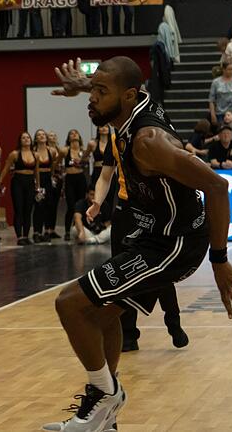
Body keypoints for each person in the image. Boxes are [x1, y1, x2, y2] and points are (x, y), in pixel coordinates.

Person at [45, 56, 232, 431]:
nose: (92, 100)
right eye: (96, 89)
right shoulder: (129, 106)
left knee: (70, 305)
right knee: (102, 314)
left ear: (127, 97)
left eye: (100, 93)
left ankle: (106, 395)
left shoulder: (148, 142)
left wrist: (220, 261)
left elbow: (217, 187)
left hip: (174, 243)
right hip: (152, 232)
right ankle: (103, 418)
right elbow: (118, 86)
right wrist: (87, 86)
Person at [90, 131, 189, 354]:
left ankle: (173, 323)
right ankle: (129, 335)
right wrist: (97, 202)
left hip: (153, 209)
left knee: (160, 270)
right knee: (121, 271)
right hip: (125, 210)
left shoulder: (152, 135)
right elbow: (106, 176)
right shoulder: (115, 139)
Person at [0, 131, 40, 246]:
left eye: (28, 137)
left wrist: (38, 186)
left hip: (30, 182)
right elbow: (5, 169)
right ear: (20, 141)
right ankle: (19, 236)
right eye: (23, 138)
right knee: (19, 209)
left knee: (28, 210)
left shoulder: (36, 155)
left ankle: (26, 235)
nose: (26, 139)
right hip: (18, 182)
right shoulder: (14, 154)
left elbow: (37, 172)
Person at [58, 129, 90, 241]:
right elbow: (57, 162)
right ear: (68, 137)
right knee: (71, 206)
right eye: (71, 133)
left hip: (81, 179)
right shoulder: (65, 150)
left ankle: (79, 228)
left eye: (76, 132)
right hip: (70, 179)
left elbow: (86, 166)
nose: (74, 134)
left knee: (81, 205)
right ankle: (67, 231)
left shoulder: (83, 151)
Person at [32, 129, 57, 243]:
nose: (41, 136)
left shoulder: (51, 151)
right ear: (36, 138)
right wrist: (36, 184)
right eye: (39, 135)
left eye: (43, 134)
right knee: (38, 206)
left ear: (46, 138)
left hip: (47, 178)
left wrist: (52, 178)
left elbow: (53, 166)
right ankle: (37, 232)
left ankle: (47, 231)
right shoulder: (33, 151)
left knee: (49, 205)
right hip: (37, 178)